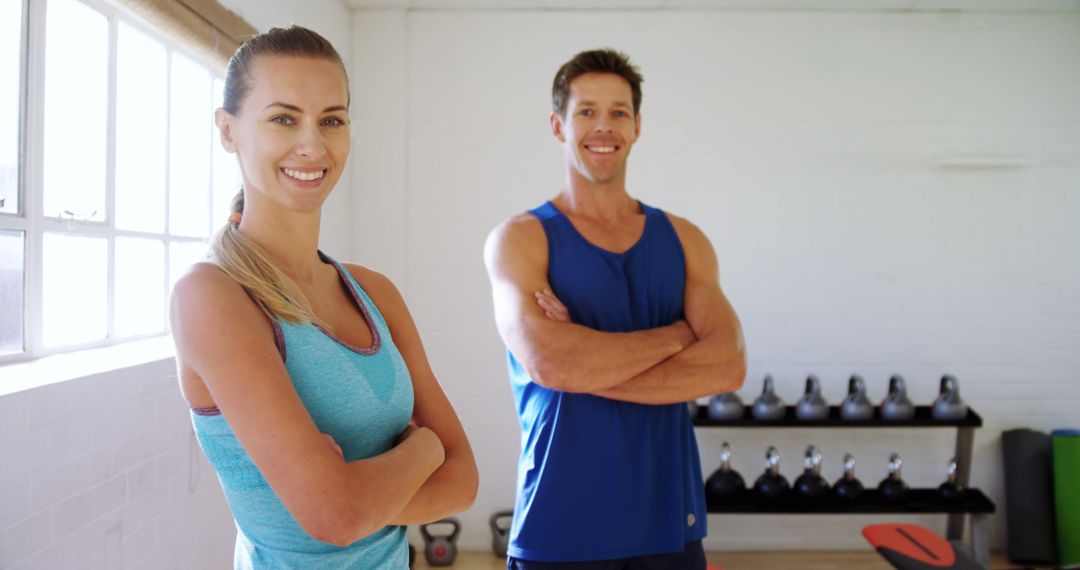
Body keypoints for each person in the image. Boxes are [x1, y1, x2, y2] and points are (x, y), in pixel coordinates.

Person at [170, 26, 477, 569]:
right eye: (283, 118)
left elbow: (463, 482)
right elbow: (335, 516)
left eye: (331, 120)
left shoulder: (375, 292)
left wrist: (360, 494)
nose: (312, 144)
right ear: (228, 130)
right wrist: (422, 450)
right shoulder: (211, 297)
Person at [483, 48, 747, 569]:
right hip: (560, 520)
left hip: (668, 522)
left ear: (637, 126)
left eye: (618, 112)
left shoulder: (685, 239)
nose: (603, 126)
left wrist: (583, 361)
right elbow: (549, 363)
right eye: (586, 111)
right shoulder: (520, 239)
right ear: (559, 125)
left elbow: (728, 365)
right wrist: (676, 337)